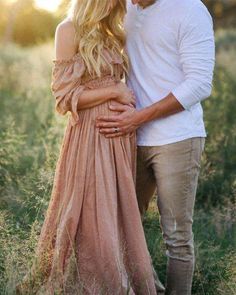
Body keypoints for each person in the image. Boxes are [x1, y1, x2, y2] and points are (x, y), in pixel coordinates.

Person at [16, 0, 157, 294]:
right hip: (90, 134)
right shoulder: (67, 30)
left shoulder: (113, 31)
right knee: (92, 203)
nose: (117, 4)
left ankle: (123, 272)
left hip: (120, 134)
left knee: (117, 208)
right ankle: (97, 279)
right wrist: (114, 91)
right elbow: (63, 96)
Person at [96, 0, 215, 294]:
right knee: (125, 225)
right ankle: (149, 289)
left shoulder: (190, 10)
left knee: (176, 235)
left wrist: (139, 117)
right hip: (131, 137)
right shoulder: (128, 6)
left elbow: (200, 83)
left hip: (178, 138)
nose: (131, 1)